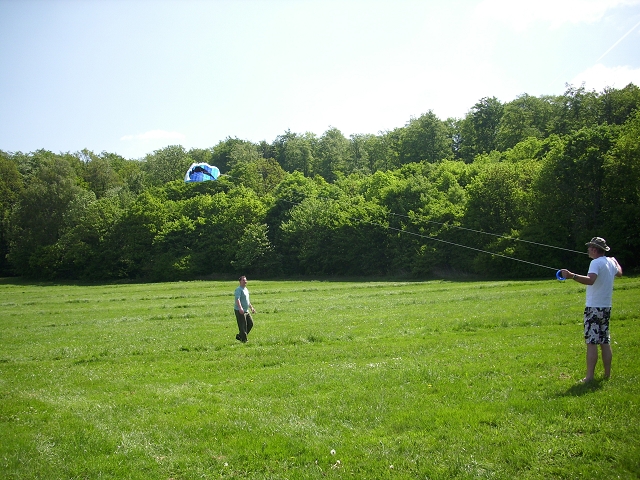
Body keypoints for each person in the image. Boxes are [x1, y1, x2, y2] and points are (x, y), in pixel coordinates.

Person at [561, 237, 622, 383]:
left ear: (594, 249)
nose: (588, 250)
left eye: (589, 247)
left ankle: (589, 377)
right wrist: (615, 261)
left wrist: (571, 276)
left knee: (592, 342)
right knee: (605, 341)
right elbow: (620, 272)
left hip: (594, 307)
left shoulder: (595, 263)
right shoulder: (610, 262)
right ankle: (607, 375)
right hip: (606, 307)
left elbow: (590, 280)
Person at [234, 276, 256, 343]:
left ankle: (240, 336)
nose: (245, 281)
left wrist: (251, 308)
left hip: (246, 310)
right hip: (240, 310)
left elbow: (247, 300)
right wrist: (240, 308)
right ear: (240, 281)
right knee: (243, 326)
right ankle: (244, 340)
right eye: (243, 280)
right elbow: (237, 299)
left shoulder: (246, 289)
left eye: (246, 280)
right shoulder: (238, 289)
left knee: (250, 323)